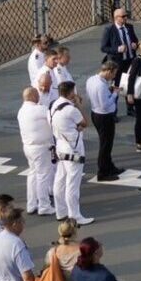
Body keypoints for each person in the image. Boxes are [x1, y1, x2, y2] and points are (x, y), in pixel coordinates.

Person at [50, 82, 92, 224]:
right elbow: (85, 122)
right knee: (72, 183)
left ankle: (60, 212)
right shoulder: (71, 110)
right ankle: (75, 215)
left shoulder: (54, 105)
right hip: (73, 147)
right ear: (70, 93)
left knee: (60, 179)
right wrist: (79, 105)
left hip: (60, 145)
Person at [17, 87, 55, 216]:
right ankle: (44, 205)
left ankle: (31, 204)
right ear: (33, 96)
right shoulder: (39, 110)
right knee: (43, 176)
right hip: (41, 147)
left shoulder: (21, 111)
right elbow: (53, 115)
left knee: (33, 175)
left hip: (28, 147)